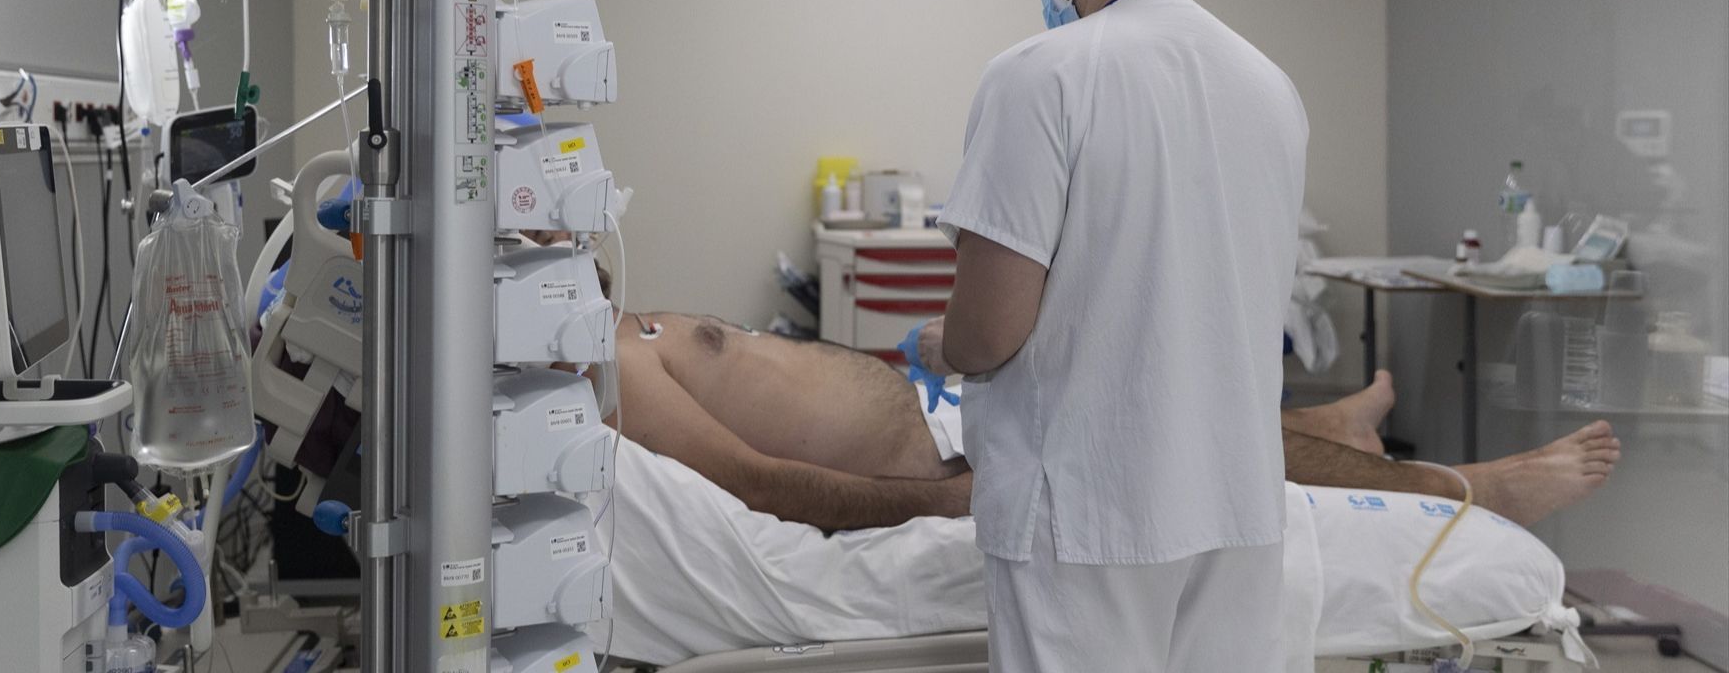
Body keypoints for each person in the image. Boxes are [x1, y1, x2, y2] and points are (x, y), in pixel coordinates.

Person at [901, 0, 1310, 671]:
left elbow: (987, 333)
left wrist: (941, 345)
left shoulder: (1039, 77)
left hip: (1086, 514)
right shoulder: (1271, 87)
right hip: (1235, 503)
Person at [600, 311, 1621, 533]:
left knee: (1166, 387)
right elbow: (759, 485)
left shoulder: (607, 318)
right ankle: (1473, 488)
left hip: (949, 415)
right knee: (1188, 431)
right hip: (952, 454)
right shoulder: (604, 360)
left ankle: (1330, 427)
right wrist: (947, 498)